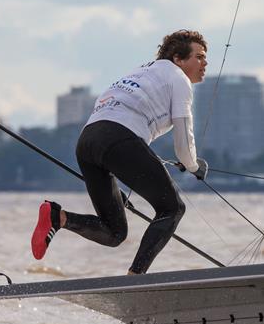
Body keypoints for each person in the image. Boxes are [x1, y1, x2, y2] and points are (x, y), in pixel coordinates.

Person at [30, 29, 209, 274]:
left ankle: (57, 218)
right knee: (173, 208)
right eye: (198, 56)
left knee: (114, 232)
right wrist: (194, 166)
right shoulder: (179, 78)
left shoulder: (141, 71)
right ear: (178, 59)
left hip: (88, 141)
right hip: (118, 139)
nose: (205, 63)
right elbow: (184, 145)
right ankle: (135, 276)